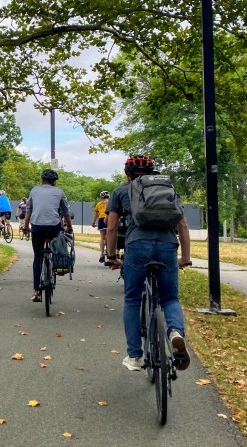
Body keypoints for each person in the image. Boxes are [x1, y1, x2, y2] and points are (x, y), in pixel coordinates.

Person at [105, 155, 192, 372]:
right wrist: (185, 257)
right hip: (167, 245)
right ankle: (174, 332)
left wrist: (112, 255)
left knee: (133, 299)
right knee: (170, 298)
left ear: (127, 174)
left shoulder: (121, 191)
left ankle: (135, 355)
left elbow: (112, 228)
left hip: (137, 246)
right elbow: (183, 226)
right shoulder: (167, 189)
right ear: (153, 173)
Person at [23, 169, 72, 302]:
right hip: (53, 226)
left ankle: (36, 290)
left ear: (42, 180)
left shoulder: (34, 190)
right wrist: (69, 226)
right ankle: (56, 265)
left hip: (37, 226)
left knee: (38, 256)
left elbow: (28, 210)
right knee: (54, 247)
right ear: (54, 182)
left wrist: (26, 226)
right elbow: (66, 211)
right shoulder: (59, 192)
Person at [93, 191, 109, 262]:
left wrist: (93, 222)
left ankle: (102, 253)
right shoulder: (110, 203)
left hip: (101, 219)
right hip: (109, 218)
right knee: (110, 236)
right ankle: (110, 252)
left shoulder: (98, 204)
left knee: (102, 237)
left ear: (101, 197)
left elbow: (96, 214)